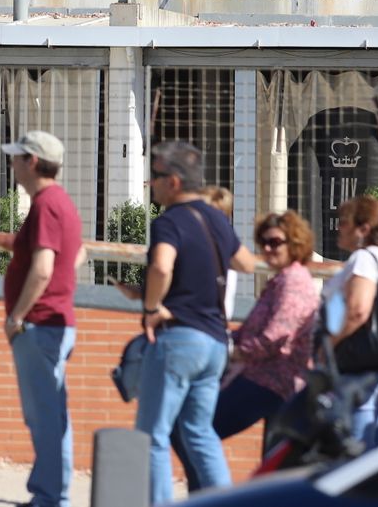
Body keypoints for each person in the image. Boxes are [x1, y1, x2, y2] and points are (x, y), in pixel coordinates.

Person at [135, 140, 257, 504]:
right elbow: (246, 263)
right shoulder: (217, 218)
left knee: (152, 434)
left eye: (155, 176)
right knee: (199, 430)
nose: (150, 183)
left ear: (173, 181)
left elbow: (161, 266)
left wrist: (152, 306)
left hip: (179, 340)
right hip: (215, 342)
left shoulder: (169, 221)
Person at [1, 132, 85, 507]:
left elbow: (43, 268)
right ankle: (51, 494)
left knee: (45, 420)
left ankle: (50, 498)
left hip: (41, 324)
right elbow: (76, 253)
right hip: (53, 323)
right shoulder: (59, 202)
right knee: (52, 417)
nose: (13, 163)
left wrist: (17, 316)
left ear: (32, 161)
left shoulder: (46, 204)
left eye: (17, 157)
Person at [216, 211, 318, 439]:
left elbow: (277, 334)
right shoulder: (280, 280)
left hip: (274, 379)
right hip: (261, 374)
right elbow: (253, 326)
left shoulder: (293, 282)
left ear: (294, 243)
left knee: (202, 429)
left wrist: (238, 352)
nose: (268, 249)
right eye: (264, 242)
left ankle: (209, 477)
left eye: (275, 242)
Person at [323, 195, 378, 447]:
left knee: (356, 450)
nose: (339, 228)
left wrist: (329, 344)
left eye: (344, 222)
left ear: (363, 229)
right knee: (374, 446)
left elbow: (358, 310)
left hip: (362, 362)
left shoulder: (364, 260)